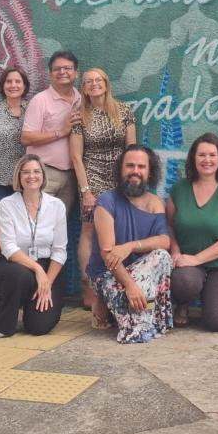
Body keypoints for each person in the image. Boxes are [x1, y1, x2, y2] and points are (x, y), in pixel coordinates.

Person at [88, 145, 173, 343]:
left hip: (142, 276)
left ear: (149, 171)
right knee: (137, 333)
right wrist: (130, 286)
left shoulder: (154, 203)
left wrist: (130, 246)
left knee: (162, 257)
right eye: (130, 166)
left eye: (141, 167)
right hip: (109, 274)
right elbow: (108, 255)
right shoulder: (106, 202)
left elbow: (165, 241)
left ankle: (134, 310)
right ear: (121, 169)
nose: (136, 171)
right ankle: (109, 301)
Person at [71, 67, 136, 309]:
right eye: (89, 81)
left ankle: (119, 281)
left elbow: (132, 149)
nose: (94, 84)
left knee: (119, 229)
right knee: (89, 229)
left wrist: (129, 182)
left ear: (106, 84)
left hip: (119, 177)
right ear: (84, 88)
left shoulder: (124, 111)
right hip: (92, 177)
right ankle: (88, 286)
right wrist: (86, 190)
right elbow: (77, 157)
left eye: (98, 80)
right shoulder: (79, 116)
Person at [167, 133, 218, 332]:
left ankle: (213, 299)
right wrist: (175, 252)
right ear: (194, 158)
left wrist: (197, 259)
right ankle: (182, 303)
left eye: (212, 155)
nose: (207, 160)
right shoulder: (179, 189)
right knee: (185, 282)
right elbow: (168, 225)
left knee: (217, 322)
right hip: (186, 263)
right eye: (202, 155)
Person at [0, 154, 68, 337]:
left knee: (38, 327)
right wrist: (37, 270)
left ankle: (33, 304)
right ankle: (4, 324)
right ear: (19, 177)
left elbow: (59, 250)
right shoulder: (7, 204)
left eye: (36, 171)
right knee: (18, 275)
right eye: (25, 172)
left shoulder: (56, 206)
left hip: (47, 266)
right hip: (17, 263)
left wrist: (47, 283)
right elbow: (8, 247)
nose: (31, 176)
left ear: (43, 175)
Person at [0, 66, 31, 305]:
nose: (13, 85)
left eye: (17, 82)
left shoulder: (31, 110)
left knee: (23, 236)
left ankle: (21, 289)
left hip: (25, 184)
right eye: (9, 82)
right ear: (3, 86)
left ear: (24, 86)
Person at [20, 51, 81, 216]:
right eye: (57, 69)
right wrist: (61, 132)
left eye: (67, 68)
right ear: (50, 73)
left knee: (60, 226)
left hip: (71, 176)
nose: (62, 72)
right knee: (37, 224)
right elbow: (26, 138)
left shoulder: (81, 99)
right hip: (45, 173)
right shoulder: (40, 100)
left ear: (76, 73)